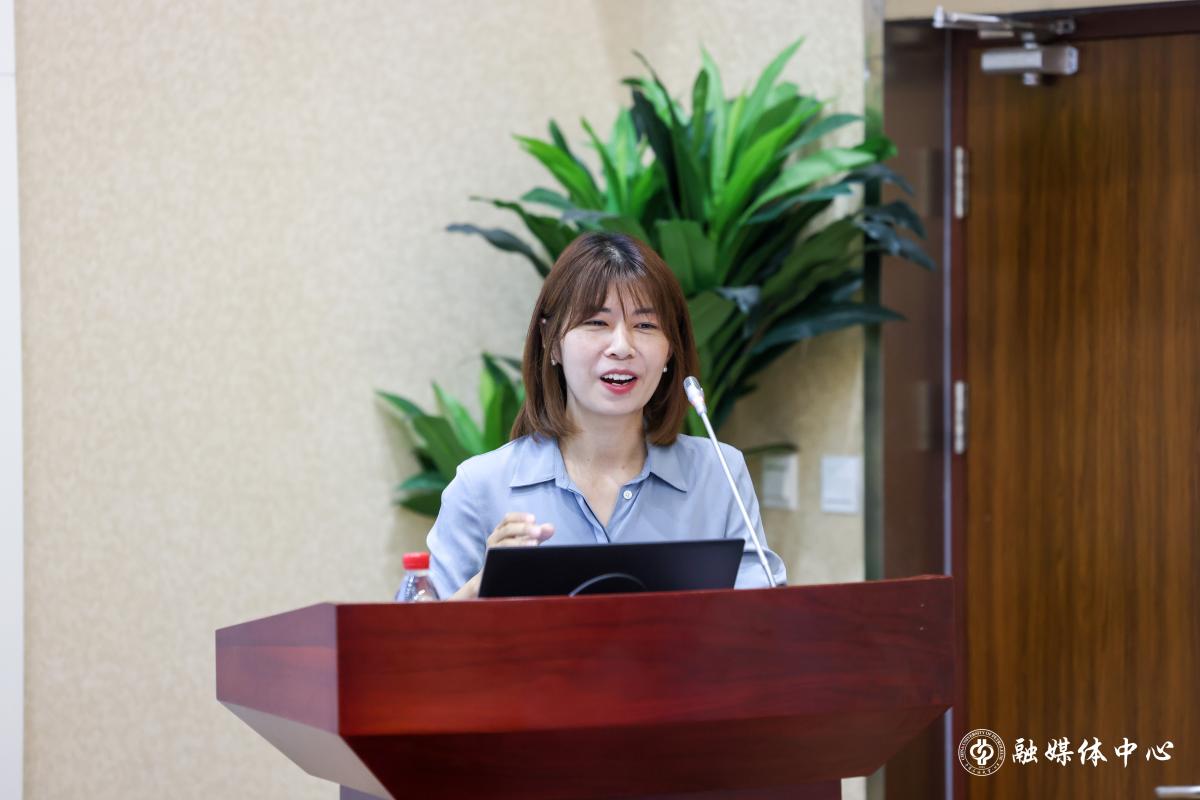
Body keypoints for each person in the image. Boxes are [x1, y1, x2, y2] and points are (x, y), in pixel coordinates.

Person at [426, 231, 788, 600]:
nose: (622, 347)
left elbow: (765, 619)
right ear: (552, 342)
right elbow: (417, 634)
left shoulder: (719, 474)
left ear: (670, 350)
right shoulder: (480, 487)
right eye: (597, 323)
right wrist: (481, 585)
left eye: (645, 325)